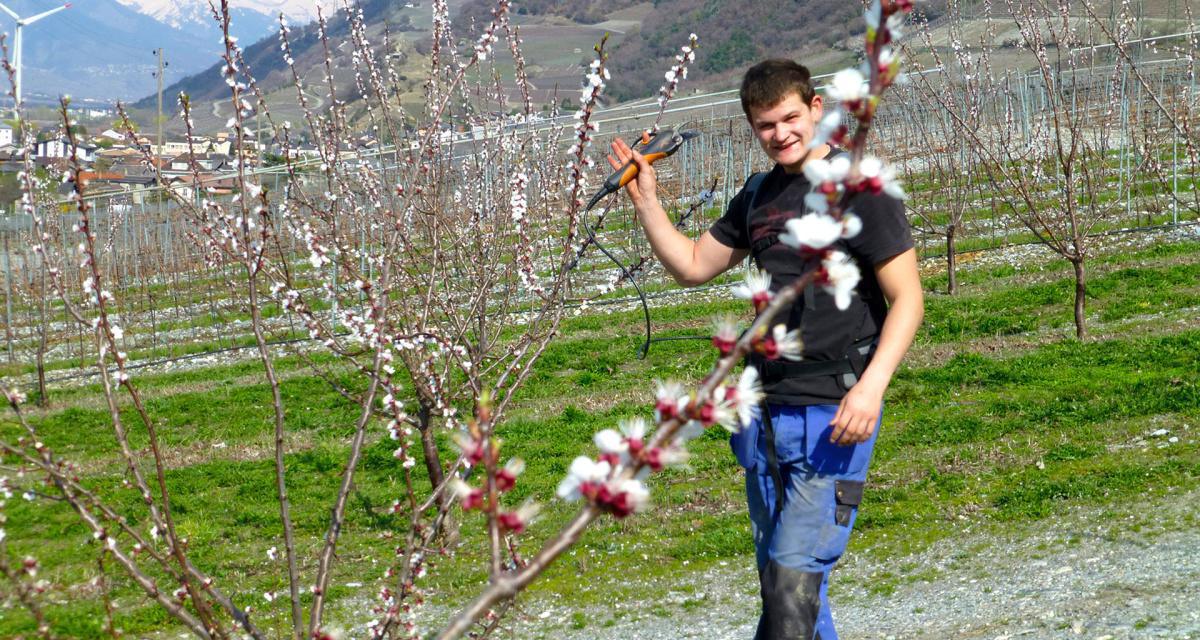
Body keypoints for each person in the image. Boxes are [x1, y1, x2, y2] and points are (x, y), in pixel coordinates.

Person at [607, 59, 924, 639]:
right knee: (786, 595)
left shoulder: (859, 190)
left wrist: (872, 387)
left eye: (789, 118)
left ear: (816, 111)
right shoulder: (757, 195)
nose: (780, 134)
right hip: (764, 418)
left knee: (792, 587)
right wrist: (647, 201)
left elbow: (907, 299)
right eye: (765, 125)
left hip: (834, 411)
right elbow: (693, 265)